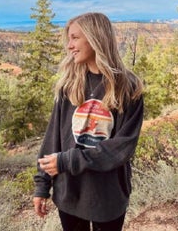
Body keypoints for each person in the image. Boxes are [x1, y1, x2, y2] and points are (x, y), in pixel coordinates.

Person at [33, 12, 144, 231]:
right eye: (69, 39)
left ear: (95, 39)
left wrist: (68, 161)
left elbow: (122, 148)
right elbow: (53, 138)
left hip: (107, 197)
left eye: (75, 38)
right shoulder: (69, 85)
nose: (69, 45)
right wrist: (41, 185)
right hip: (69, 193)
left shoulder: (127, 88)